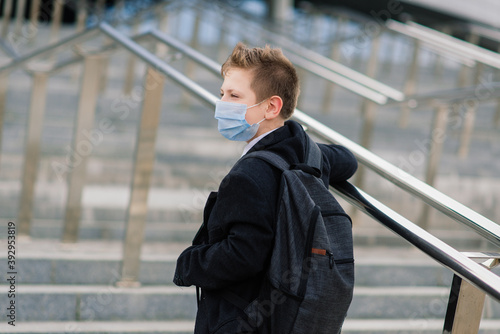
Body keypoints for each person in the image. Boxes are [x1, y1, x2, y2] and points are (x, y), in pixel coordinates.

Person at [173, 42, 357, 334]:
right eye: (222, 94)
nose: (222, 103)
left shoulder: (248, 175)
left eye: (234, 95)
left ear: (271, 106)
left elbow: (243, 256)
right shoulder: (303, 151)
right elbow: (347, 161)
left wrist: (189, 264)